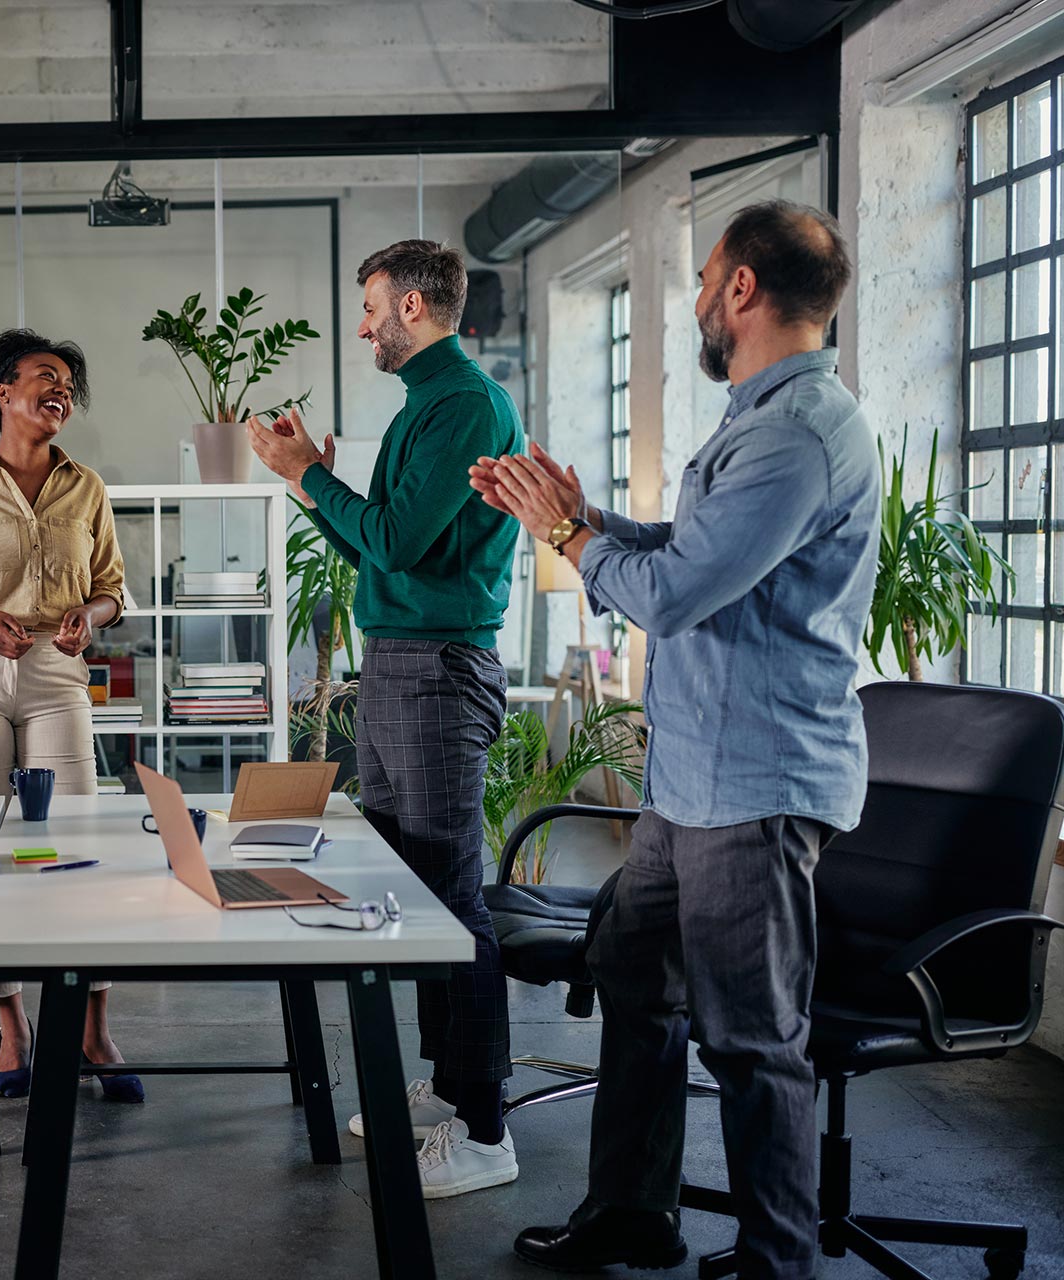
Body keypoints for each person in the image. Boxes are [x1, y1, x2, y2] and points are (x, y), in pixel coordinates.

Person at [473, 200, 876, 1278]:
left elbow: (675, 593)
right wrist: (586, 515)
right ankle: (632, 1213)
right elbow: (689, 543)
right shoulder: (762, 417)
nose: (697, 296)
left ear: (742, 287)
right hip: (690, 782)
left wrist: (567, 536)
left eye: (704, 278)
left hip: (753, 787)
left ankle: (779, 1263)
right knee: (634, 977)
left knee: (750, 1039)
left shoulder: (796, 433)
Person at [247, 240, 525, 1197]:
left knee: (453, 899)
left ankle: (485, 1129)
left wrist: (309, 476)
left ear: (411, 305)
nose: (362, 327)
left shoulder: (465, 405)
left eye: (370, 308)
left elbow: (398, 542)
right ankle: (448, 1089)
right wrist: (310, 482)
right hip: (402, 662)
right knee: (419, 890)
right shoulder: (425, 405)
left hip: (438, 669)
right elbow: (381, 549)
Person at [0, 328, 141, 1103]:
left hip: (54, 671)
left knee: (76, 839)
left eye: (69, 382)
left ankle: (93, 1025)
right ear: (4, 392)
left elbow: (111, 587)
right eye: (46, 375)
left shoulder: (87, 488)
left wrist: (88, 616)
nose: (61, 389)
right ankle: (11, 1023)